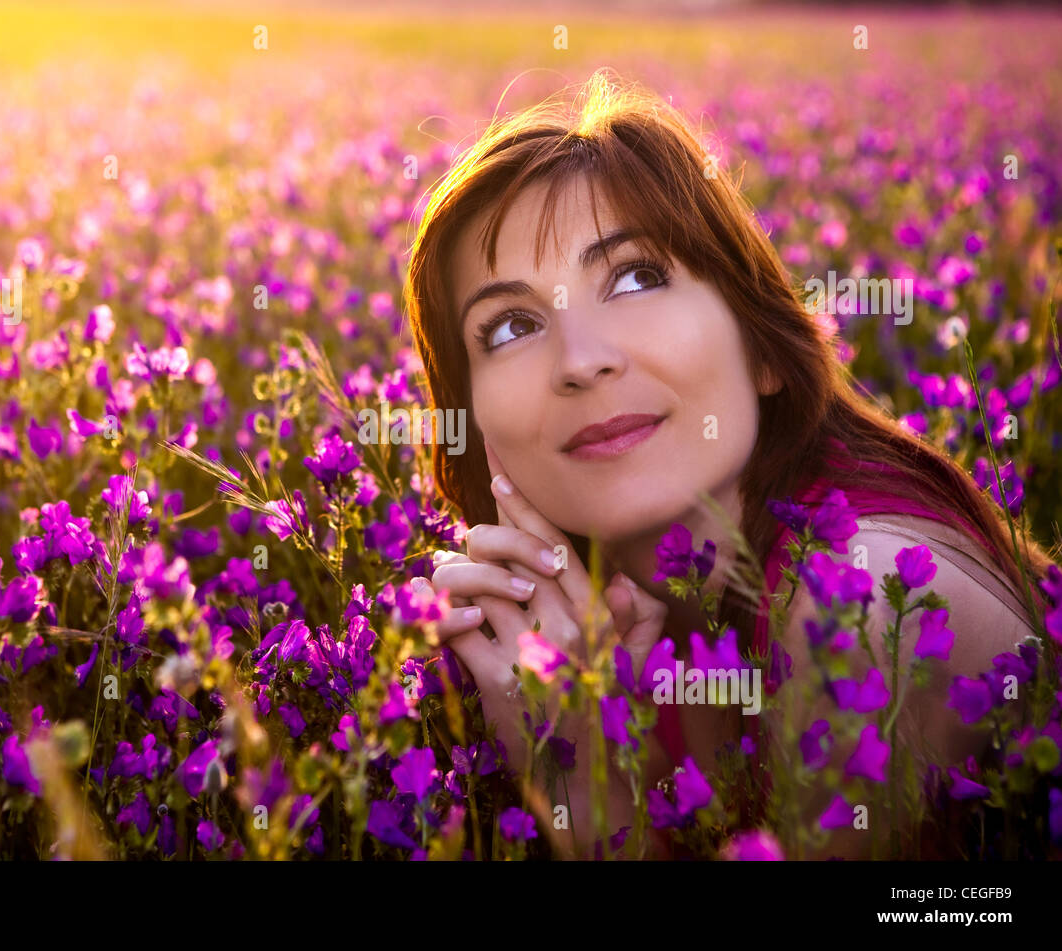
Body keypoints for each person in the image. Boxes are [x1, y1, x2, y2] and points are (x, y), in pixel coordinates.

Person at [402, 69, 1057, 859]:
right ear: (471, 423)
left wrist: (587, 792)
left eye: (636, 277)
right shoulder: (619, 627)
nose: (581, 360)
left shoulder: (855, 604)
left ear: (765, 350)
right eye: (509, 325)